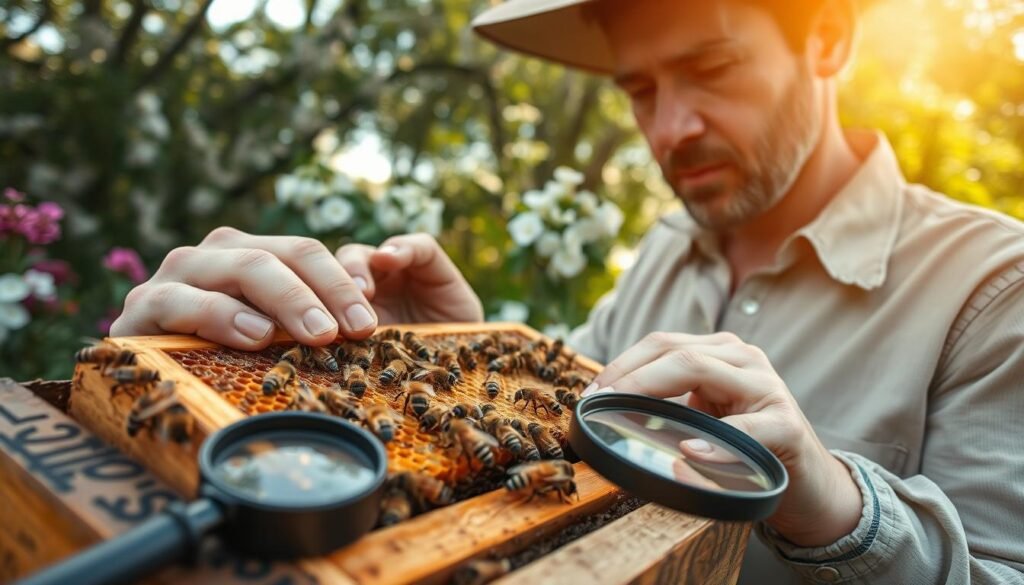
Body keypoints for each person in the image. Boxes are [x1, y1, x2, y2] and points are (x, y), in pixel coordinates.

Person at [111, 0, 1024, 582]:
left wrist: (834, 502)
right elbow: (566, 426)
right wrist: (445, 356)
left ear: (827, 39)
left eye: (710, 69)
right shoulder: (664, 254)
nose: (672, 128)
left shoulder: (992, 287)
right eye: (639, 89)